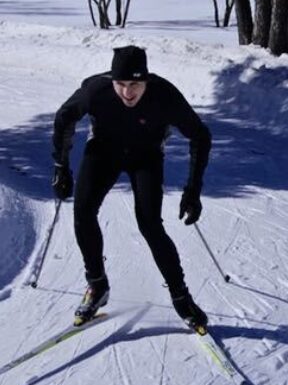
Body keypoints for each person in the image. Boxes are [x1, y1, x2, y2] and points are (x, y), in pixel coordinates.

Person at [51, 46, 212, 328]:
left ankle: (181, 297)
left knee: (150, 224)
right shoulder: (96, 90)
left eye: (135, 84)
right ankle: (97, 285)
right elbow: (65, 116)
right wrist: (61, 165)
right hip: (104, 151)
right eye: (121, 84)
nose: (127, 92)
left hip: (146, 156)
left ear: (146, 80)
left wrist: (193, 189)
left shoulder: (164, 95)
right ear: (112, 80)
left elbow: (200, 135)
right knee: (83, 211)